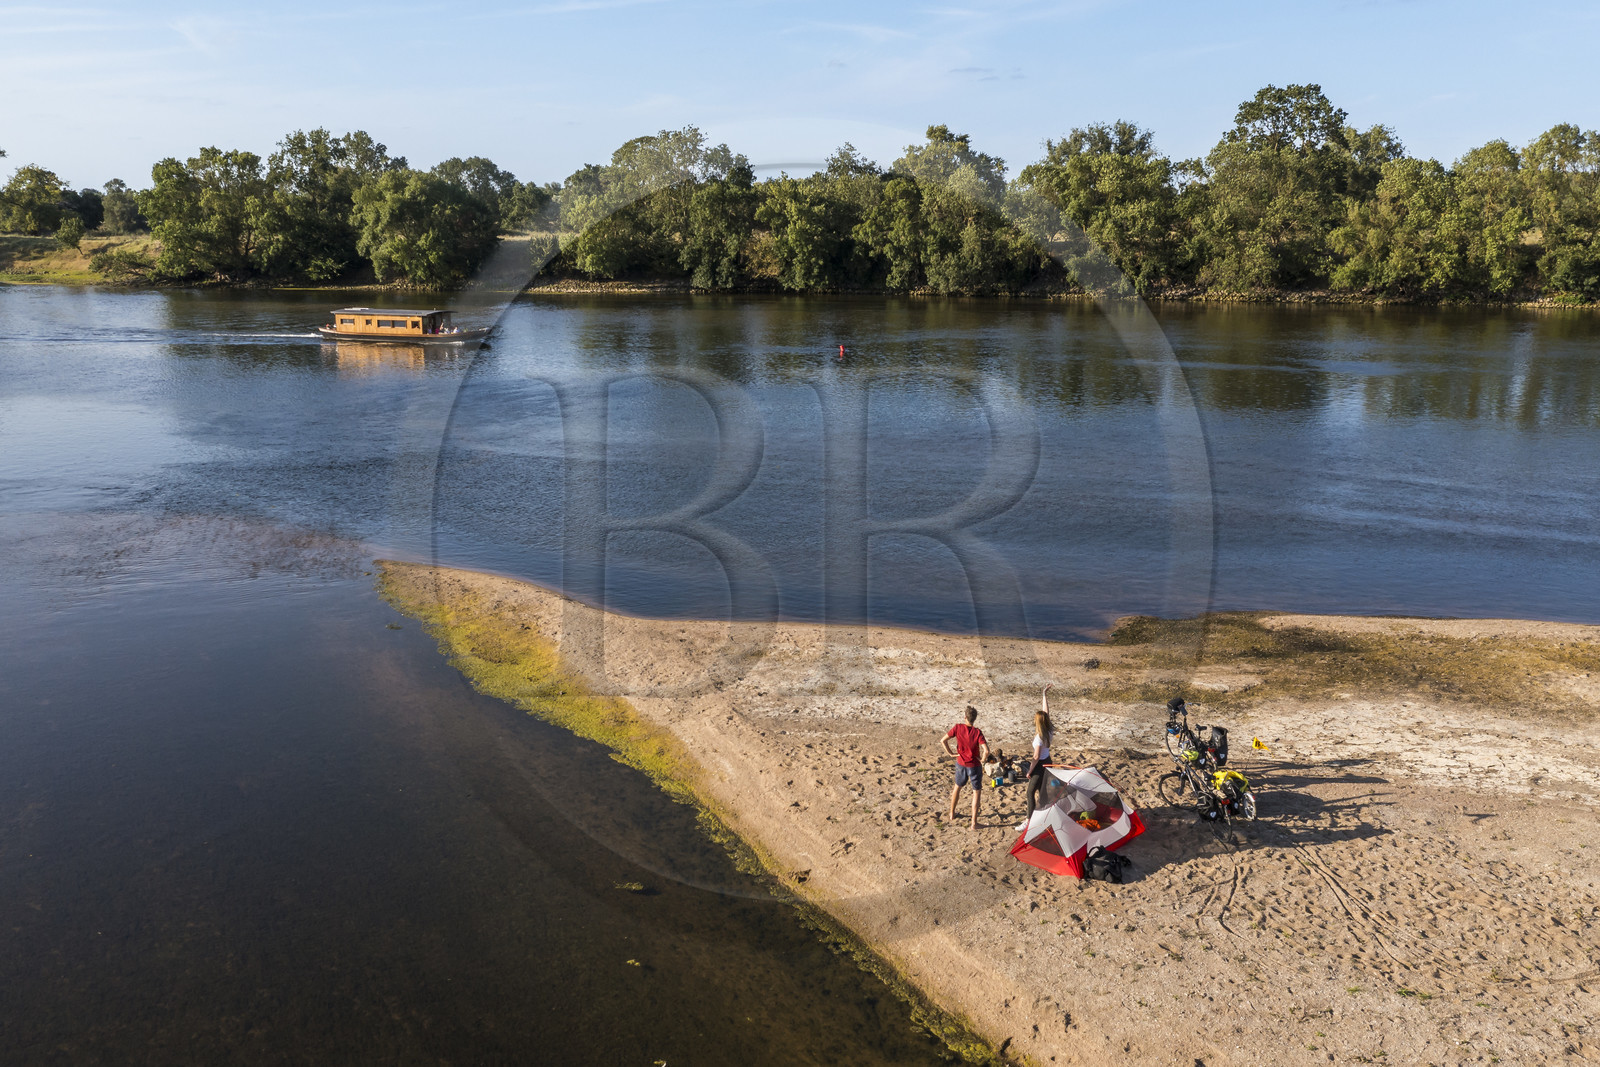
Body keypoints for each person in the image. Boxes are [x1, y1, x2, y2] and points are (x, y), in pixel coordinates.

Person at [942, 705, 989, 829]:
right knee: (976, 792)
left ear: (965, 717)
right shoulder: (977, 732)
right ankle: (974, 823)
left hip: (961, 763)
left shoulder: (958, 727)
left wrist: (951, 753)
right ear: (974, 719)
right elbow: (986, 750)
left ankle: (952, 813)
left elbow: (943, 740)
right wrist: (982, 759)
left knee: (957, 787)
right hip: (974, 765)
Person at [1021, 683, 1058, 828]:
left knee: (1030, 792)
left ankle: (1028, 821)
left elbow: (1036, 757)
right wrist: (1044, 694)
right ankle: (1044, 816)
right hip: (1048, 761)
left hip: (1040, 765)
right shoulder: (1048, 730)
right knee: (1043, 792)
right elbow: (1046, 712)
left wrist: (1029, 771)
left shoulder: (1039, 738)